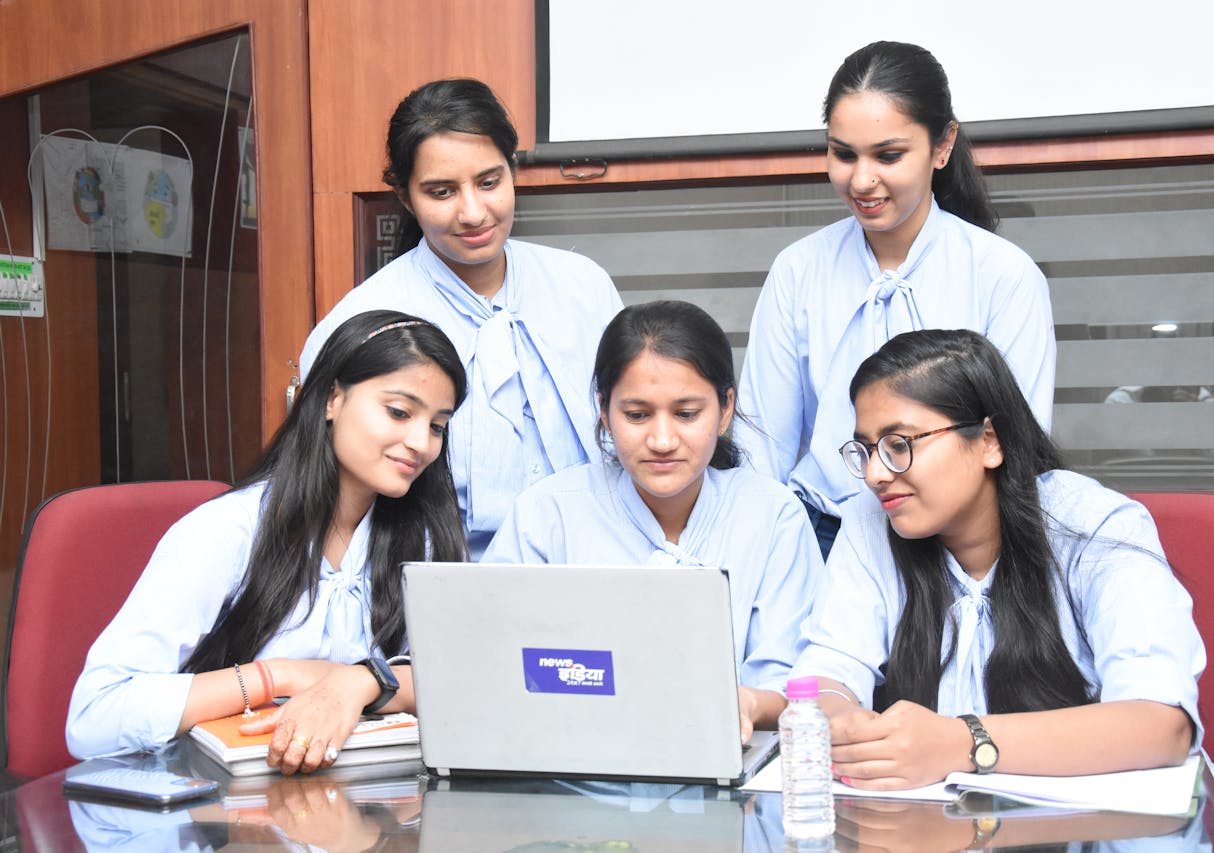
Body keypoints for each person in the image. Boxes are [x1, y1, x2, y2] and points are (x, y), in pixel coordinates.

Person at [792, 328, 1214, 797]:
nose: (876, 473)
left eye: (899, 445)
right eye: (866, 450)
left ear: (989, 440)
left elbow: (1160, 724)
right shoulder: (871, 523)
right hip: (933, 831)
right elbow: (828, 670)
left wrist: (962, 743)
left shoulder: (1093, 524)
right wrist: (842, 724)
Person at [67, 310, 468, 775]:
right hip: (222, 814)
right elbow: (93, 716)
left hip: (366, 806)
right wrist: (280, 676)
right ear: (332, 399)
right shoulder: (226, 531)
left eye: (438, 425)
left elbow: (459, 679)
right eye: (399, 412)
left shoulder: (422, 537)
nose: (421, 441)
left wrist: (355, 684)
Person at [736, 41, 1056, 558]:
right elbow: (760, 449)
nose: (861, 180)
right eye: (843, 154)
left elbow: (1018, 450)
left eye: (888, 155)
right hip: (822, 533)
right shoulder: (798, 270)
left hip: (954, 538)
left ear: (943, 144)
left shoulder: (1003, 275)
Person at [299, 78, 623, 557]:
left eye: (489, 182)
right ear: (406, 197)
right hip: (435, 580)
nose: (473, 213)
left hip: (596, 563)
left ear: (513, 171)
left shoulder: (584, 288)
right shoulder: (364, 323)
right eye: (441, 191)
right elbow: (329, 500)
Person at [485, 301, 823, 738]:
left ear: (725, 410)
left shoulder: (774, 515)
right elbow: (497, 658)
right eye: (637, 415)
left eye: (686, 414)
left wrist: (746, 702)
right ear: (604, 411)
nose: (662, 440)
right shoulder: (546, 514)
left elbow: (795, 678)